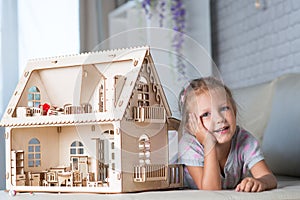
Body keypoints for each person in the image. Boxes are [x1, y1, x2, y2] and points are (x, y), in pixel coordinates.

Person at [177, 77, 277, 192]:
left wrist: (261, 182)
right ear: (191, 125)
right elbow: (210, 189)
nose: (219, 119)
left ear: (234, 110)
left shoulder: (244, 140)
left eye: (224, 108)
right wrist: (209, 144)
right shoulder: (189, 145)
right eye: (206, 114)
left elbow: (269, 177)